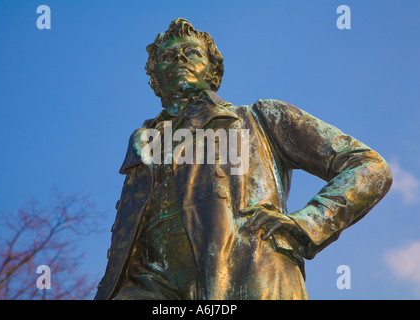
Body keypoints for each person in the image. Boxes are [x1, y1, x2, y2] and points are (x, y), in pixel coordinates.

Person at [95, 18, 392, 300]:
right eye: (169, 56)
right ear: (156, 79)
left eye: (191, 53)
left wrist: (308, 222)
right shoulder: (145, 142)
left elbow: (368, 166)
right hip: (151, 285)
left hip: (245, 272)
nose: (179, 61)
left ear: (212, 72)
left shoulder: (261, 118)